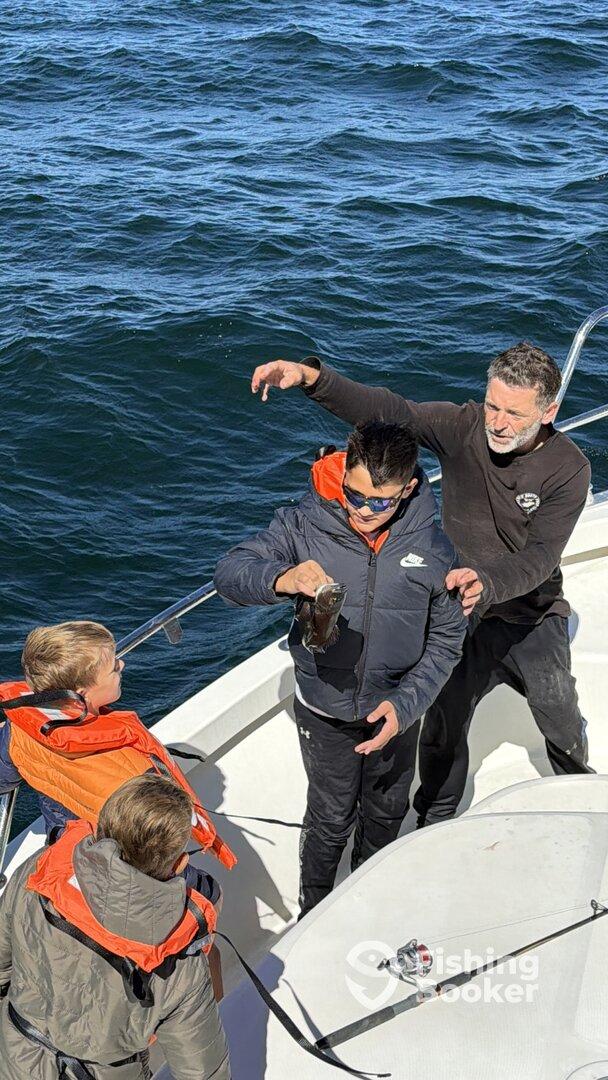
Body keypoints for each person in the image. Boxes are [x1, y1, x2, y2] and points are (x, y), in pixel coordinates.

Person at [250, 343, 594, 825]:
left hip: (529, 612)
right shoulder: (463, 426)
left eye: (515, 414)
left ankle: (583, 794)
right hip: (457, 607)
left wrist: (488, 581)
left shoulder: (569, 468)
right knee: (443, 727)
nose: (497, 423)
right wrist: (312, 378)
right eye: (493, 406)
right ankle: (435, 820)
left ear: (548, 411)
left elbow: (541, 557)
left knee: (557, 708)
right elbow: (389, 410)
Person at [215, 421, 466, 916]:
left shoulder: (436, 548)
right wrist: (281, 577)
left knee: (387, 811)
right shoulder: (300, 524)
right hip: (323, 710)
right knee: (330, 818)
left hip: (395, 712)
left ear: (410, 489)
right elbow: (229, 573)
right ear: (343, 476)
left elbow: (447, 638)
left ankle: (368, 902)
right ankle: (316, 911)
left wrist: (406, 705)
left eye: (381, 502)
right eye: (354, 495)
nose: (363, 511)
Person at [0, 620, 234, 997]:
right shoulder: (131, 768)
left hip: (70, 862)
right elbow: (158, 847)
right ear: (80, 693)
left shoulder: (21, 728)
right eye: (113, 667)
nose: (122, 666)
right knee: (204, 936)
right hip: (128, 876)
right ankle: (208, 1009)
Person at [0, 773, 231, 1080]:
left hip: (18, 1056)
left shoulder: (39, 871)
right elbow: (203, 1072)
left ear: (101, 824)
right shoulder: (179, 962)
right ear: (178, 865)